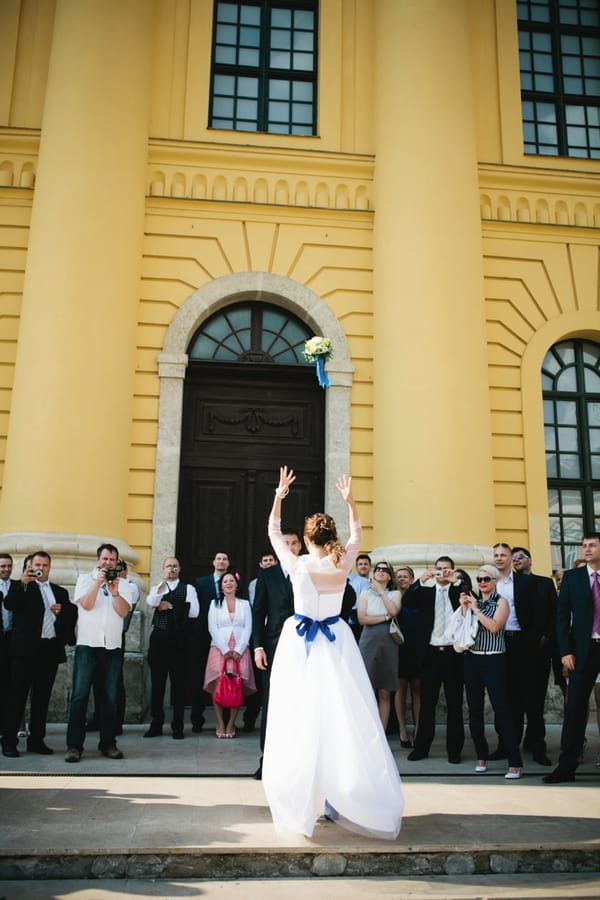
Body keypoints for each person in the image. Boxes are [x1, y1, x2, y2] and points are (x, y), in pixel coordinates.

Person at [262, 466, 403, 840]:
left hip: (302, 645)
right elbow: (358, 534)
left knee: (299, 718)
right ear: (332, 537)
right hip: (337, 642)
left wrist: (279, 496)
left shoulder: (298, 563)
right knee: (346, 717)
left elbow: (274, 532)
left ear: (306, 541)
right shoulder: (343, 562)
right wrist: (351, 501)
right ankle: (344, 800)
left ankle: (304, 801)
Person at [1, 551, 76, 757]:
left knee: (42, 698)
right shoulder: (22, 586)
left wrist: (63, 612)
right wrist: (21, 584)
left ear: (50, 567)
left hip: (48, 651)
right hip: (24, 652)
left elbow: (70, 616)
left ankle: (36, 740)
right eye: (37, 564)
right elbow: (9, 604)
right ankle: (9, 741)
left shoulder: (59, 592)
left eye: (45, 564)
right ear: (30, 566)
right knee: (16, 697)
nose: (41, 568)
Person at [487, 544, 556, 766]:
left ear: (510, 559)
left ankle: (537, 746)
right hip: (499, 644)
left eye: (503, 555)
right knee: (505, 698)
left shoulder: (528, 582)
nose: (499, 558)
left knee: (533, 699)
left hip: (526, 645)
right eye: (495, 555)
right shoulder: (489, 583)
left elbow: (541, 613)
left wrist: (537, 639)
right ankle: (506, 744)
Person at [65, 543, 133, 762]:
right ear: (98, 560)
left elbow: (123, 612)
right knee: (79, 697)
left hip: (112, 647)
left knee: (110, 698)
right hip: (87, 645)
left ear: (117, 562)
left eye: (112, 560)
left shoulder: (124, 585)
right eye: (105, 559)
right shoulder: (84, 579)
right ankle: (74, 746)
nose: (108, 563)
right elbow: (85, 604)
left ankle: (108, 743)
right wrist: (98, 583)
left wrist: (114, 593)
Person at [543, 532, 600, 784]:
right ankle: (566, 767)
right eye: (584, 546)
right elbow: (562, 616)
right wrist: (565, 651)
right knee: (575, 708)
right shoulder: (573, 578)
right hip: (582, 651)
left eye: (592, 545)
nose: (586, 549)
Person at [459, 565, 523, 778]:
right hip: (472, 659)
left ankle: (514, 761)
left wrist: (476, 609)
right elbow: (461, 628)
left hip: (494, 658)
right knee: (474, 711)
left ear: (495, 580)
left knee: (502, 709)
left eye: (486, 578)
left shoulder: (501, 602)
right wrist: (464, 608)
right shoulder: (473, 600)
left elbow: (495, 626)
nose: (482, 582)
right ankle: (481, 756)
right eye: (479, 579)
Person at [251, 526, 302, 779]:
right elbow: (258, 612)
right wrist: (258, 646)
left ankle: (298, 759)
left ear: (300, 547)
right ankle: (267, 760)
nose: (290, 547)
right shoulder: (267, 575)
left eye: (294, 543)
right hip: (273, 646)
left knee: (300, 703)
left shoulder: (308, 570)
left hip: (305, 646)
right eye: (286, 543)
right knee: (271, 701)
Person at [403, 557, 465, 763]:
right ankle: (421, 748)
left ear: (453, 571)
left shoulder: (458, 591)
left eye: (446, 569)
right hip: (430, 654)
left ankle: (454, 750)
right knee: (427, 704)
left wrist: (456, 581)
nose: (442, 573)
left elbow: (469, 596)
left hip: (453, 654)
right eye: (438, 569)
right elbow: (407, 601)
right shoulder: (426, 593)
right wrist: (421, 580)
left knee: (454, 704)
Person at [145, 557, 199, 739]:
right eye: (168, 566)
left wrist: (170, 606)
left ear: (180, 568)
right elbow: (151, 602)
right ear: (163, 569)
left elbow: (194, 611)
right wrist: (162, 587)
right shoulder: (157, 588)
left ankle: (178, 725)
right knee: (157, 684)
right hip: (159, 638)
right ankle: (156, 724)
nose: (172, 569)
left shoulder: (188, 589)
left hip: (178, 640)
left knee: (179, 685)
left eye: (175, 566)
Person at [203, 572, 256, 737]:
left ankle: (231, 724)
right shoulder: (214, 604)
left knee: (236, 686)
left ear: (236, 584)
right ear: (221, 586)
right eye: (225, 581)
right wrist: (225, 649)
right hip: (220, 648)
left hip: (240, 648)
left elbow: (248, 627)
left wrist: (239, 650)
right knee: (219, 685)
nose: (228, 583)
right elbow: (212, 627)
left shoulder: (245, 604)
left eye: (231, 580)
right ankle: (220, 723)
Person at [191, 551, 233, 732]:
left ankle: (223, 722)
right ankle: (196, 719)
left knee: (226, 679)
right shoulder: (201, 583)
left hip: (226, 641)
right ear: (213, 562)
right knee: (199, 678)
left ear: (228, 563)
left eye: (224, 559)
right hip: (203, 638)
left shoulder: (234, 583)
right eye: (218, 558)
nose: (221, 561)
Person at [357, 562, 401, 732]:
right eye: (378, 569)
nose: (381, 572)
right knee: (367, 688)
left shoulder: (395, 593)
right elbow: (362, 619)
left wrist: (382, 593)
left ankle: (381, 733)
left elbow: (395, 611)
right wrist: (385, 616)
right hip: (368, 641)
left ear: (390, 576)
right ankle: (366, 730)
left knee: (385, 690)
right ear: (373, 574)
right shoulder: (365, 594)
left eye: (385, 570)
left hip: (389, 642)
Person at [244, 551, 277, 734]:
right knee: (258, 679)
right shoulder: (255, 584)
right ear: (260, 563)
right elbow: (256, 606)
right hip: (260, 632)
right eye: (265, 560)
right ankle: (251, 719)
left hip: (276, 631)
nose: (268, 563)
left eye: (271, 560)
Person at [394, 565, 420, 748]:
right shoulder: (390, 597)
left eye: (405, 576)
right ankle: (402, 729)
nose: (402, 579)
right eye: (399, 577)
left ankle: (419, 728)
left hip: (417, 646)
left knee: (418, 688)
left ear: (411, 579)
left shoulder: (419, 596)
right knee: (400, 688)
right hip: (397, 647)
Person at [0, 554, 18, 735]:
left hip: (12, 639)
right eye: (2, 566)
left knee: (10, 684)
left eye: (9, 566)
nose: (6, 569)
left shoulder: (16, 585)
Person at [347, 553, 371, 641]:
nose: (363, 566)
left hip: (356, 621)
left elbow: (364, 601)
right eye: (360, 564)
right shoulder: (337, 582)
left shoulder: (364, 582)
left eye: (365, 564)